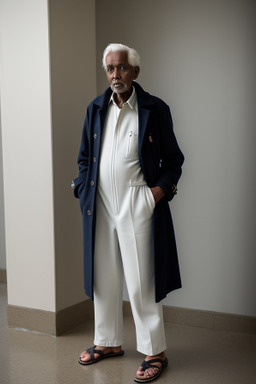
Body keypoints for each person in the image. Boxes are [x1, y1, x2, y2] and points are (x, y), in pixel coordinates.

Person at [72, 43, 184, 382]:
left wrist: (156, 194)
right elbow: (83, 157)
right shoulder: (95, 107)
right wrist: (80, 186)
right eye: (110, 69)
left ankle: (155, 351)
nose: (115, 75)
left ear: (135, 71)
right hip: (100, 203)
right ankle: (107, 342)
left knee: (141, 281)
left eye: (121, 68)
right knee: (104, 278)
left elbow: (174, 161)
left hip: (138, 202)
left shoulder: (154, 108)